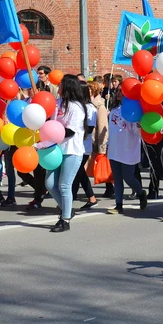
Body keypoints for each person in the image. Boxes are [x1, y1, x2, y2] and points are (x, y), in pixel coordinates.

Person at [46, 75, 88, 232]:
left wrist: (52, 131)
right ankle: (67, 209)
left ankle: (65, 220)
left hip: (71, 151)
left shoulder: (76, 107)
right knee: (50, 184)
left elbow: (70, 131)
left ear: (68, 86)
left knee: (64, 185)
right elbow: (49, 122)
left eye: (61, 84)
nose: (59, 87)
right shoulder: (56, 104)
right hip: (55, 150)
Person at [106, 88, 147, 215]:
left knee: (128, 177)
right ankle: (119, 205)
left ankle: (140, 193)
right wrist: (108, 144)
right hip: (114, 148)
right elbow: (111, 130)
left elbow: (137, 131)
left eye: (122, 93)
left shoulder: (134, 110)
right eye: (118, 92)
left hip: (128, 148)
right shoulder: (113, 110)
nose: (119, 94)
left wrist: (138, 124)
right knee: (117, 178)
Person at [72, 82, 99, 210]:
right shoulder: (78, 106)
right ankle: (84, 197)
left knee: (78, 170)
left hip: (83, 146)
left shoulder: (90, 108)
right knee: (77, 171)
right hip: (76, 144)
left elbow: (90, 128)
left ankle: (91, 197)